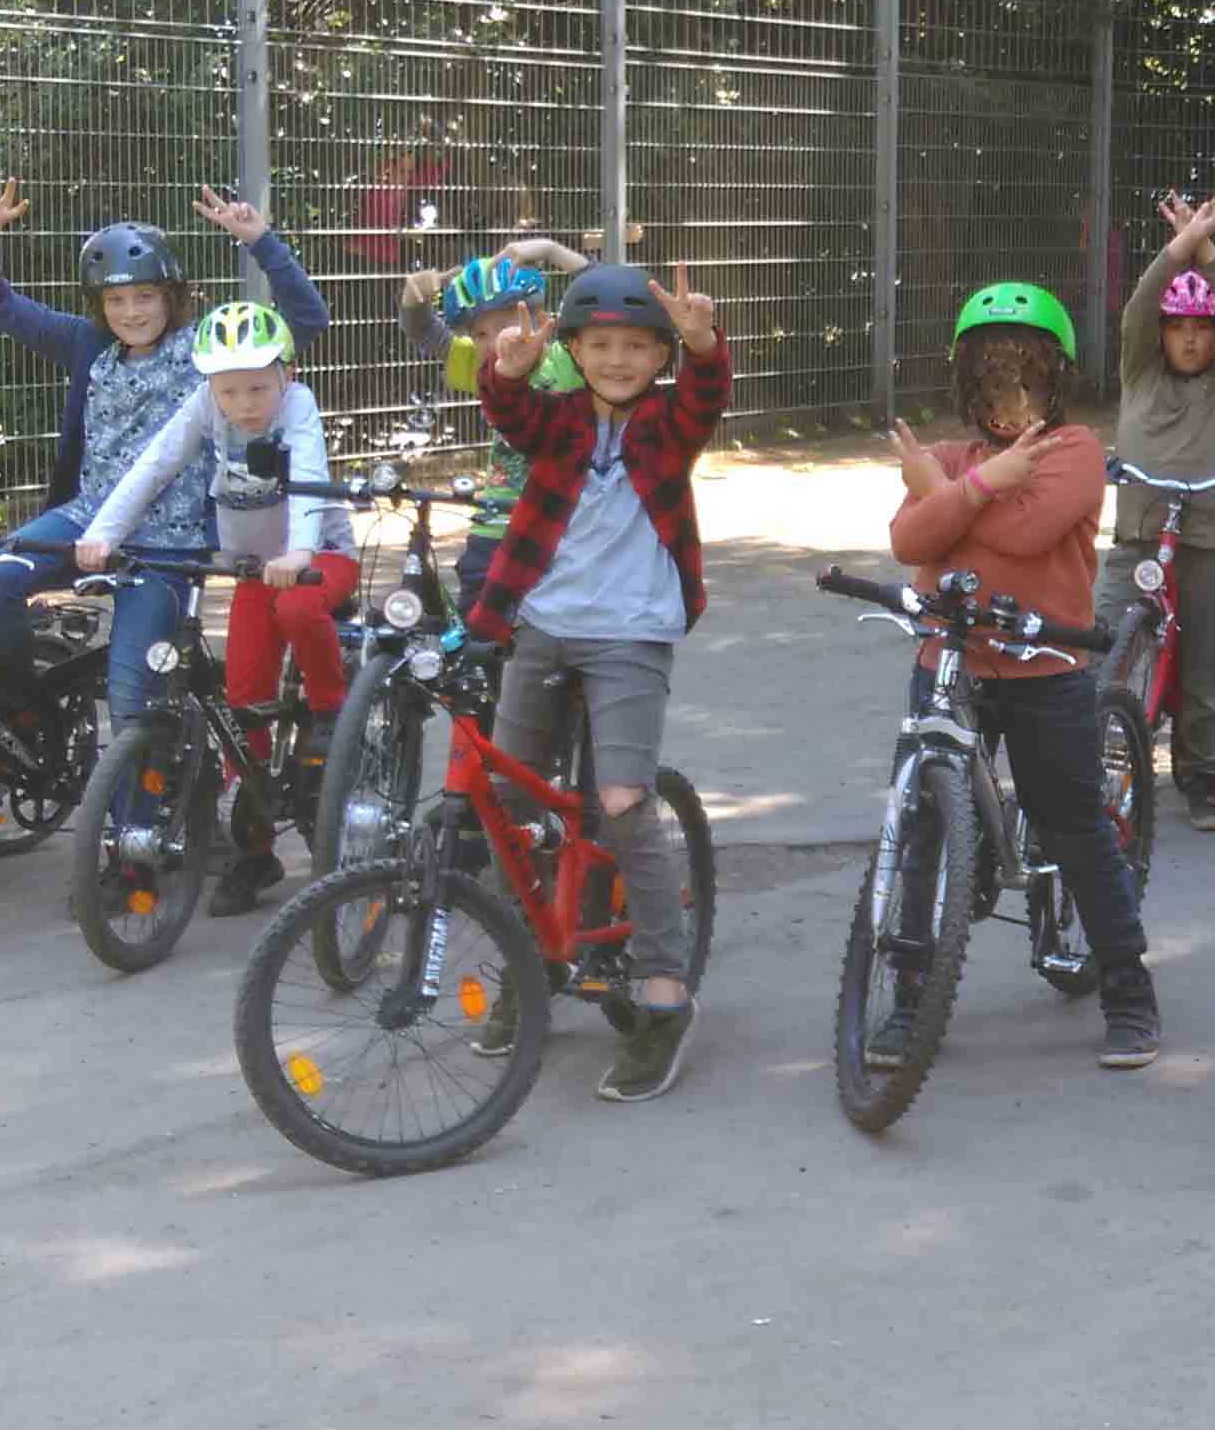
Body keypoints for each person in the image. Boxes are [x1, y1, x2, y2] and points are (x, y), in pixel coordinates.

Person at [461, 265, 731, 1101]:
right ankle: (526, 963)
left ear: (658, 355)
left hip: (632, 635)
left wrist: (701, 344)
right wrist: (505, 367)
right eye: (599, 345)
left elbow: (705, 397)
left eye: (638, 347)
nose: (618, 360)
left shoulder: (665, 424)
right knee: (507, 803)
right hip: (540, 623)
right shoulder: (561, 421)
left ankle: (662, 988)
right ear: (573, 351)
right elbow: (509, 415)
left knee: (620, 800)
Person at [883, 282, 1161, 1067]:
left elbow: (1029, 530)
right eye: (991, 386)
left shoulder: (1070, 452)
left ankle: (1128, 989)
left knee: (1075, 826)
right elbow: (910, 541)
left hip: (1045, 665)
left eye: (1026, 385)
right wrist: (970, 487)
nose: (1009, 404)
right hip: (948, 661)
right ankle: (905, 997)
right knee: (922, 829)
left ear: (1055, 383)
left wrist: (946, 498)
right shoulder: (950, 456)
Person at [0, 177, 328, 728]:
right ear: (99, 304)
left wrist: (261, 241)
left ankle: (143, 813)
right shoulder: (87, 342)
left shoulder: (201, 347)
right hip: (90, 516)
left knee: (132, 701)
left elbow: (308, 321)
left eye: (145, 297)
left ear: (170, 297)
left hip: (170, 539)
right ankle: (24, 714)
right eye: (116, 300)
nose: (131, 312)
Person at [78, 299, 358, 911]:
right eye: (229, 392)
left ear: (286, 372)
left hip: (318, 559)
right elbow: (153, 466)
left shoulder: (299, 406)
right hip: (255, 572)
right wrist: (105, 531)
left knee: (297, 611)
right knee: (241, 704)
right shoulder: (207, 405)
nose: (244, 405)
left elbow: (309, 473)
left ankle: (332, 712)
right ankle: (254, 852)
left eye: (258, 388)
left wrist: (301, 552)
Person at [1102, 194, 1215, 833]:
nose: (1191, 337)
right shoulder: (1138, 373)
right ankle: (1098, 765)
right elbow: (1139, 306)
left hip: (1205, 538)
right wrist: (1179, 248)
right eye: (1178, 326)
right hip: (1138, 535)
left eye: (1202, 327)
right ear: (1161, 335)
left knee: (1204, 668)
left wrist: (1209, 254)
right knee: (1104, 645)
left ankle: (1200, 780)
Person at [398, 243, 587, 600]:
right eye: (481, 334)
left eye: (506, 324)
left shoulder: (570, 358)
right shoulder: (482, 367)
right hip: (498, 518)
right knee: (477, 602)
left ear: (541, 317)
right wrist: (414, 297)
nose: (495, 341)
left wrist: (553, 251)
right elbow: (426, 333)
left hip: (567, 519)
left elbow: (605, 303)